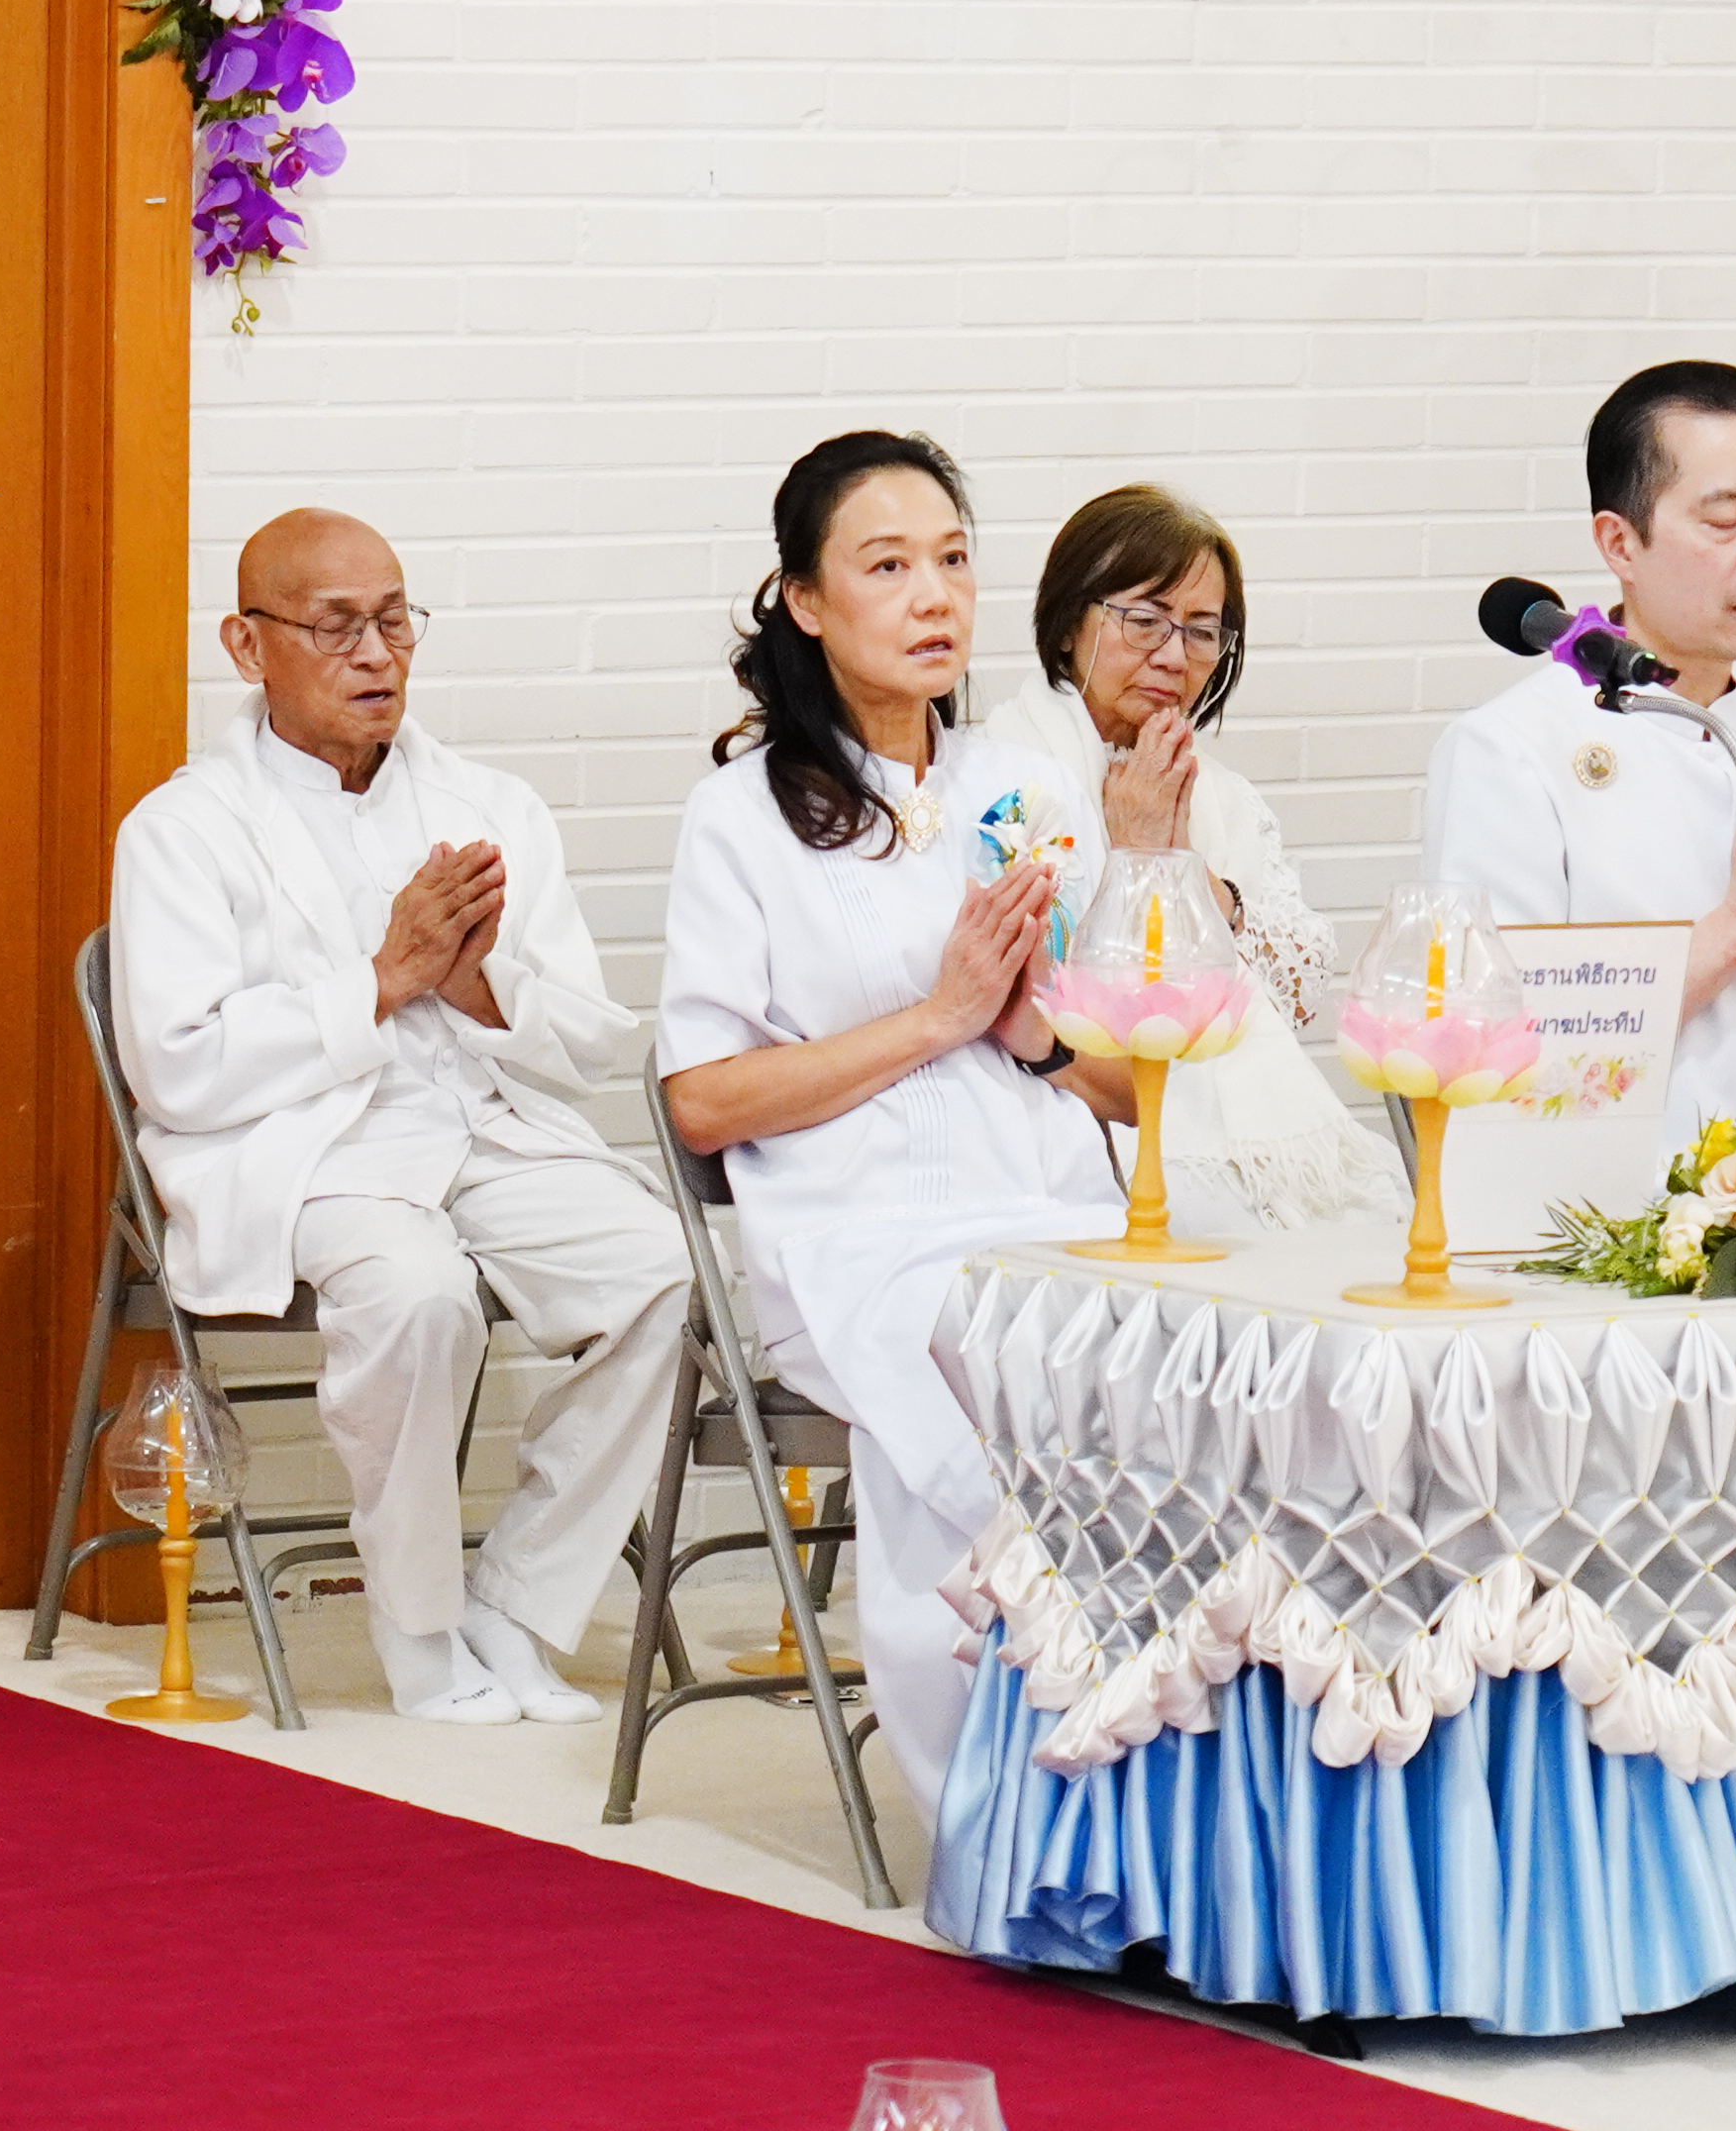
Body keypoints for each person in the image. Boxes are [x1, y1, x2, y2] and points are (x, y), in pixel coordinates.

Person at [108, 511, 689, 1723]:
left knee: (668, 1274)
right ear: (247, 643)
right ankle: (419, 1627)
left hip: (482, 1124)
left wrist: (471, 976)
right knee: (419, 1294)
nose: (378, 653)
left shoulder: (492, 806)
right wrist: (380, 980)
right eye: (336, 626)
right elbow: (178, 1067)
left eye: (394, 619)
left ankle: (521, 1604)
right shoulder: (180, 828)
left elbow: (588, 1038)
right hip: (310, 1148)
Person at [657, 433, 1154, 1794]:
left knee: (1196, 1367)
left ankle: (1172, 1781)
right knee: (988, 1358)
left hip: (1055, 1213)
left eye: (951, 560)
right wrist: (937, 1022)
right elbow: (700, 1102)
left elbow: (1133, 1082)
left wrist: (1034, 1037)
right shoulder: (743, 817)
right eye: (887, 566)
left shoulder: (1027, 789)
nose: (934, 595)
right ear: (806, 602)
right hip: (858, 1242)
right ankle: (1005, 1806)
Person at [1417, 360, 1736, 1130]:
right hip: (1621, 1219)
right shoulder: (1511, 752)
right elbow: (1492, 1065)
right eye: (1725, 521)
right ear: (1619, 543)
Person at [966, 482, 1402, 1229]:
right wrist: (1137, 866)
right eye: (1145, 621)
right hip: (1051, 1124)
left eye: (1203, 631)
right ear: (1071, 623)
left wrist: (1191, 875)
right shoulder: (999, 776)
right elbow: (1012, 1004)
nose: (1174, 654)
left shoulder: (1220, 796)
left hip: (1232, 1146)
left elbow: (1293, 997)